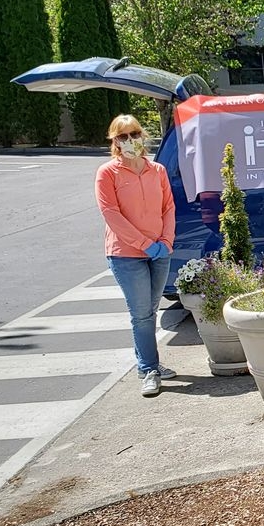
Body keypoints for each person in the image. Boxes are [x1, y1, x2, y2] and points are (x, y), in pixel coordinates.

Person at [95, 114, 177, 398]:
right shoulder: (107, 173)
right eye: (122, 136)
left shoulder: (157, 170)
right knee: (141, 314)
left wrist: (165, 241)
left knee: (150, 312)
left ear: (143, 135)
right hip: (127, 255)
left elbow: (168, 207)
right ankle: (149, 369)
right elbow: (111, 214)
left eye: (134, 134)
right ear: (115, 142)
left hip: (160, 252)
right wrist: (144, 244)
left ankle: (147, 364)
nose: (130, 140)